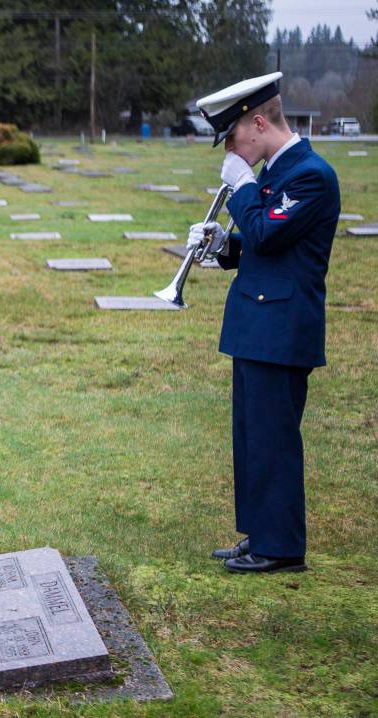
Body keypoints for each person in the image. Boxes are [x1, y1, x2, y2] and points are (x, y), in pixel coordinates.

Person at [188, 72, 340, 573]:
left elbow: (268, 234)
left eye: (232, 138)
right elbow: (255, 242)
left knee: (274, 440)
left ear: (257, 123)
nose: (230, 151)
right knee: (253, 436)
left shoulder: (309, 175)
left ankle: (281, 548)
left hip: (282, 327)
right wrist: (220, 244)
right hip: (257, 323)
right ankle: (260, 536)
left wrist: (244, 188)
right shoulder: (276, 172)